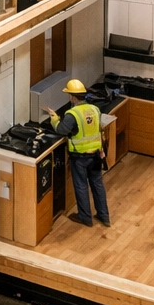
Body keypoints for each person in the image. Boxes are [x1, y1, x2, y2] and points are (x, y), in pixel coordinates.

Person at [49, 79, 110, 227]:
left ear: (72, 97)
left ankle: (85, 217)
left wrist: (55, 119)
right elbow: (98, 129)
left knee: (81, 186)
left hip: (80, 157)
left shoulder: (72, 114)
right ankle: (104, 216)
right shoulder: (95, 109)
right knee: (97, 184)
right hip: (96, 155)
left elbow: (62, 130)